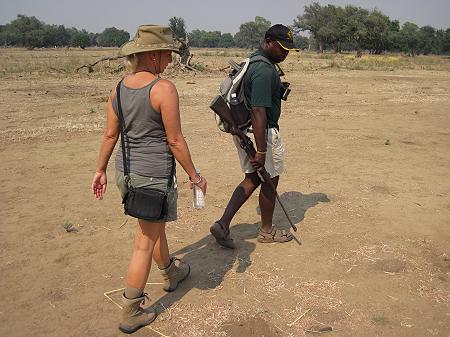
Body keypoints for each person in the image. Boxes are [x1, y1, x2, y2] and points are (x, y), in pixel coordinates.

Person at [91, 25, 207, 333]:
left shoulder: (118, 88)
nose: (170, 60)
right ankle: (131, 309)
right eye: (167, 54)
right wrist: (195, 177)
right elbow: (176, 141)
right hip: (154, 177)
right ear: (154, 55)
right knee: (144, 242)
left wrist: (100, 170)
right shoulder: (163, 89)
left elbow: (109, 134)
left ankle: (170, 273)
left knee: (153, 228)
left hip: (126, 174)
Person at [210, 24, 298, 249]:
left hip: (245, 130)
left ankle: (223, 223)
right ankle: (267, 231)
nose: (285, 53)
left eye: (288, 49)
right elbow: (259, 110)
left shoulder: (254, 61)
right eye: (281, 48)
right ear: (268, 41)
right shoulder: (265, 70)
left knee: (253, 178)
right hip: (261, 133)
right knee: (270, 180)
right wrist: (261, 150)